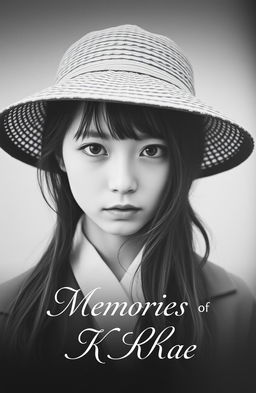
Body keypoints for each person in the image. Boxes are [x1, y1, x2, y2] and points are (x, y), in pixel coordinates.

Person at [0, 25, 255, 393]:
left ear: (181, 160)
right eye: (94, 148)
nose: (123, 181)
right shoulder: (9, 313)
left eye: (152, 150)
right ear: (58, 156)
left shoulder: (234, 306)